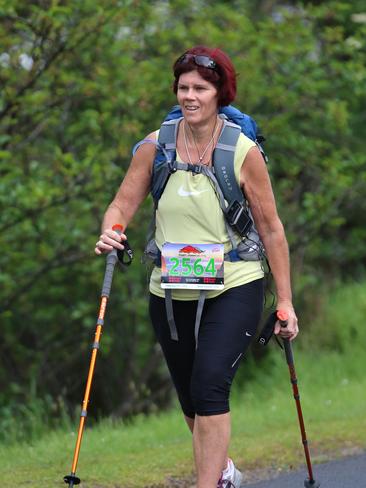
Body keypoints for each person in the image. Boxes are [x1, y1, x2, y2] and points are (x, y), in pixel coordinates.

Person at [95, 45, 298, 488]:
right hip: (168, 288)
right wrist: (112, 230)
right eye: (183, 87)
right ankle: (224, 471)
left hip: (235, 283)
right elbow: (121, 204)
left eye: (200, 88)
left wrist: (285, 301)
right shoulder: (155, 146)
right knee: (190, 400)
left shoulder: (243, 152)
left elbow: (273, 230)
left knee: (209, 389)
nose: (190, 96)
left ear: (219, 93)